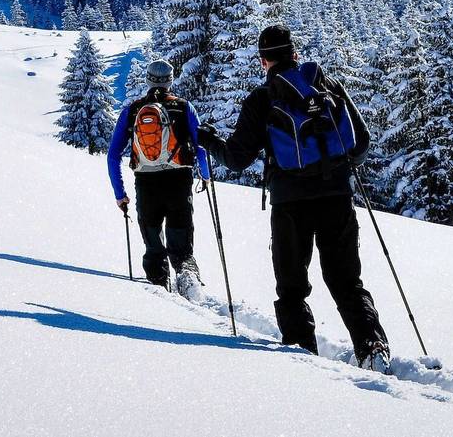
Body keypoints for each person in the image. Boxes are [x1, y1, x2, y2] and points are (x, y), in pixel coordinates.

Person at [196, 25, 391, 373]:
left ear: (264, 60)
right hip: (337, 197)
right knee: (347, 282)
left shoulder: (262, 99)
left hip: (290, 204)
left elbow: (237, 159)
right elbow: (360, 144)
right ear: (294, 53)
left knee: (292, 287)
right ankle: (372, 346)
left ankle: (302, 357)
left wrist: (207, 140)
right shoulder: (328, 86)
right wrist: (336, 166)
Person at [107, 59, 210, 295]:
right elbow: (201, 147)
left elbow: (113, 155)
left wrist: (120, 194)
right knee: (181, 243)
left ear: (148, 79)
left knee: (153, 243)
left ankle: (159, 291)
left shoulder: (132, 110)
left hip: (146, 182)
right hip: (178, 181)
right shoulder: (183, 107)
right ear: (170, 80)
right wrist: (205, 176)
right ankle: (188, 281)